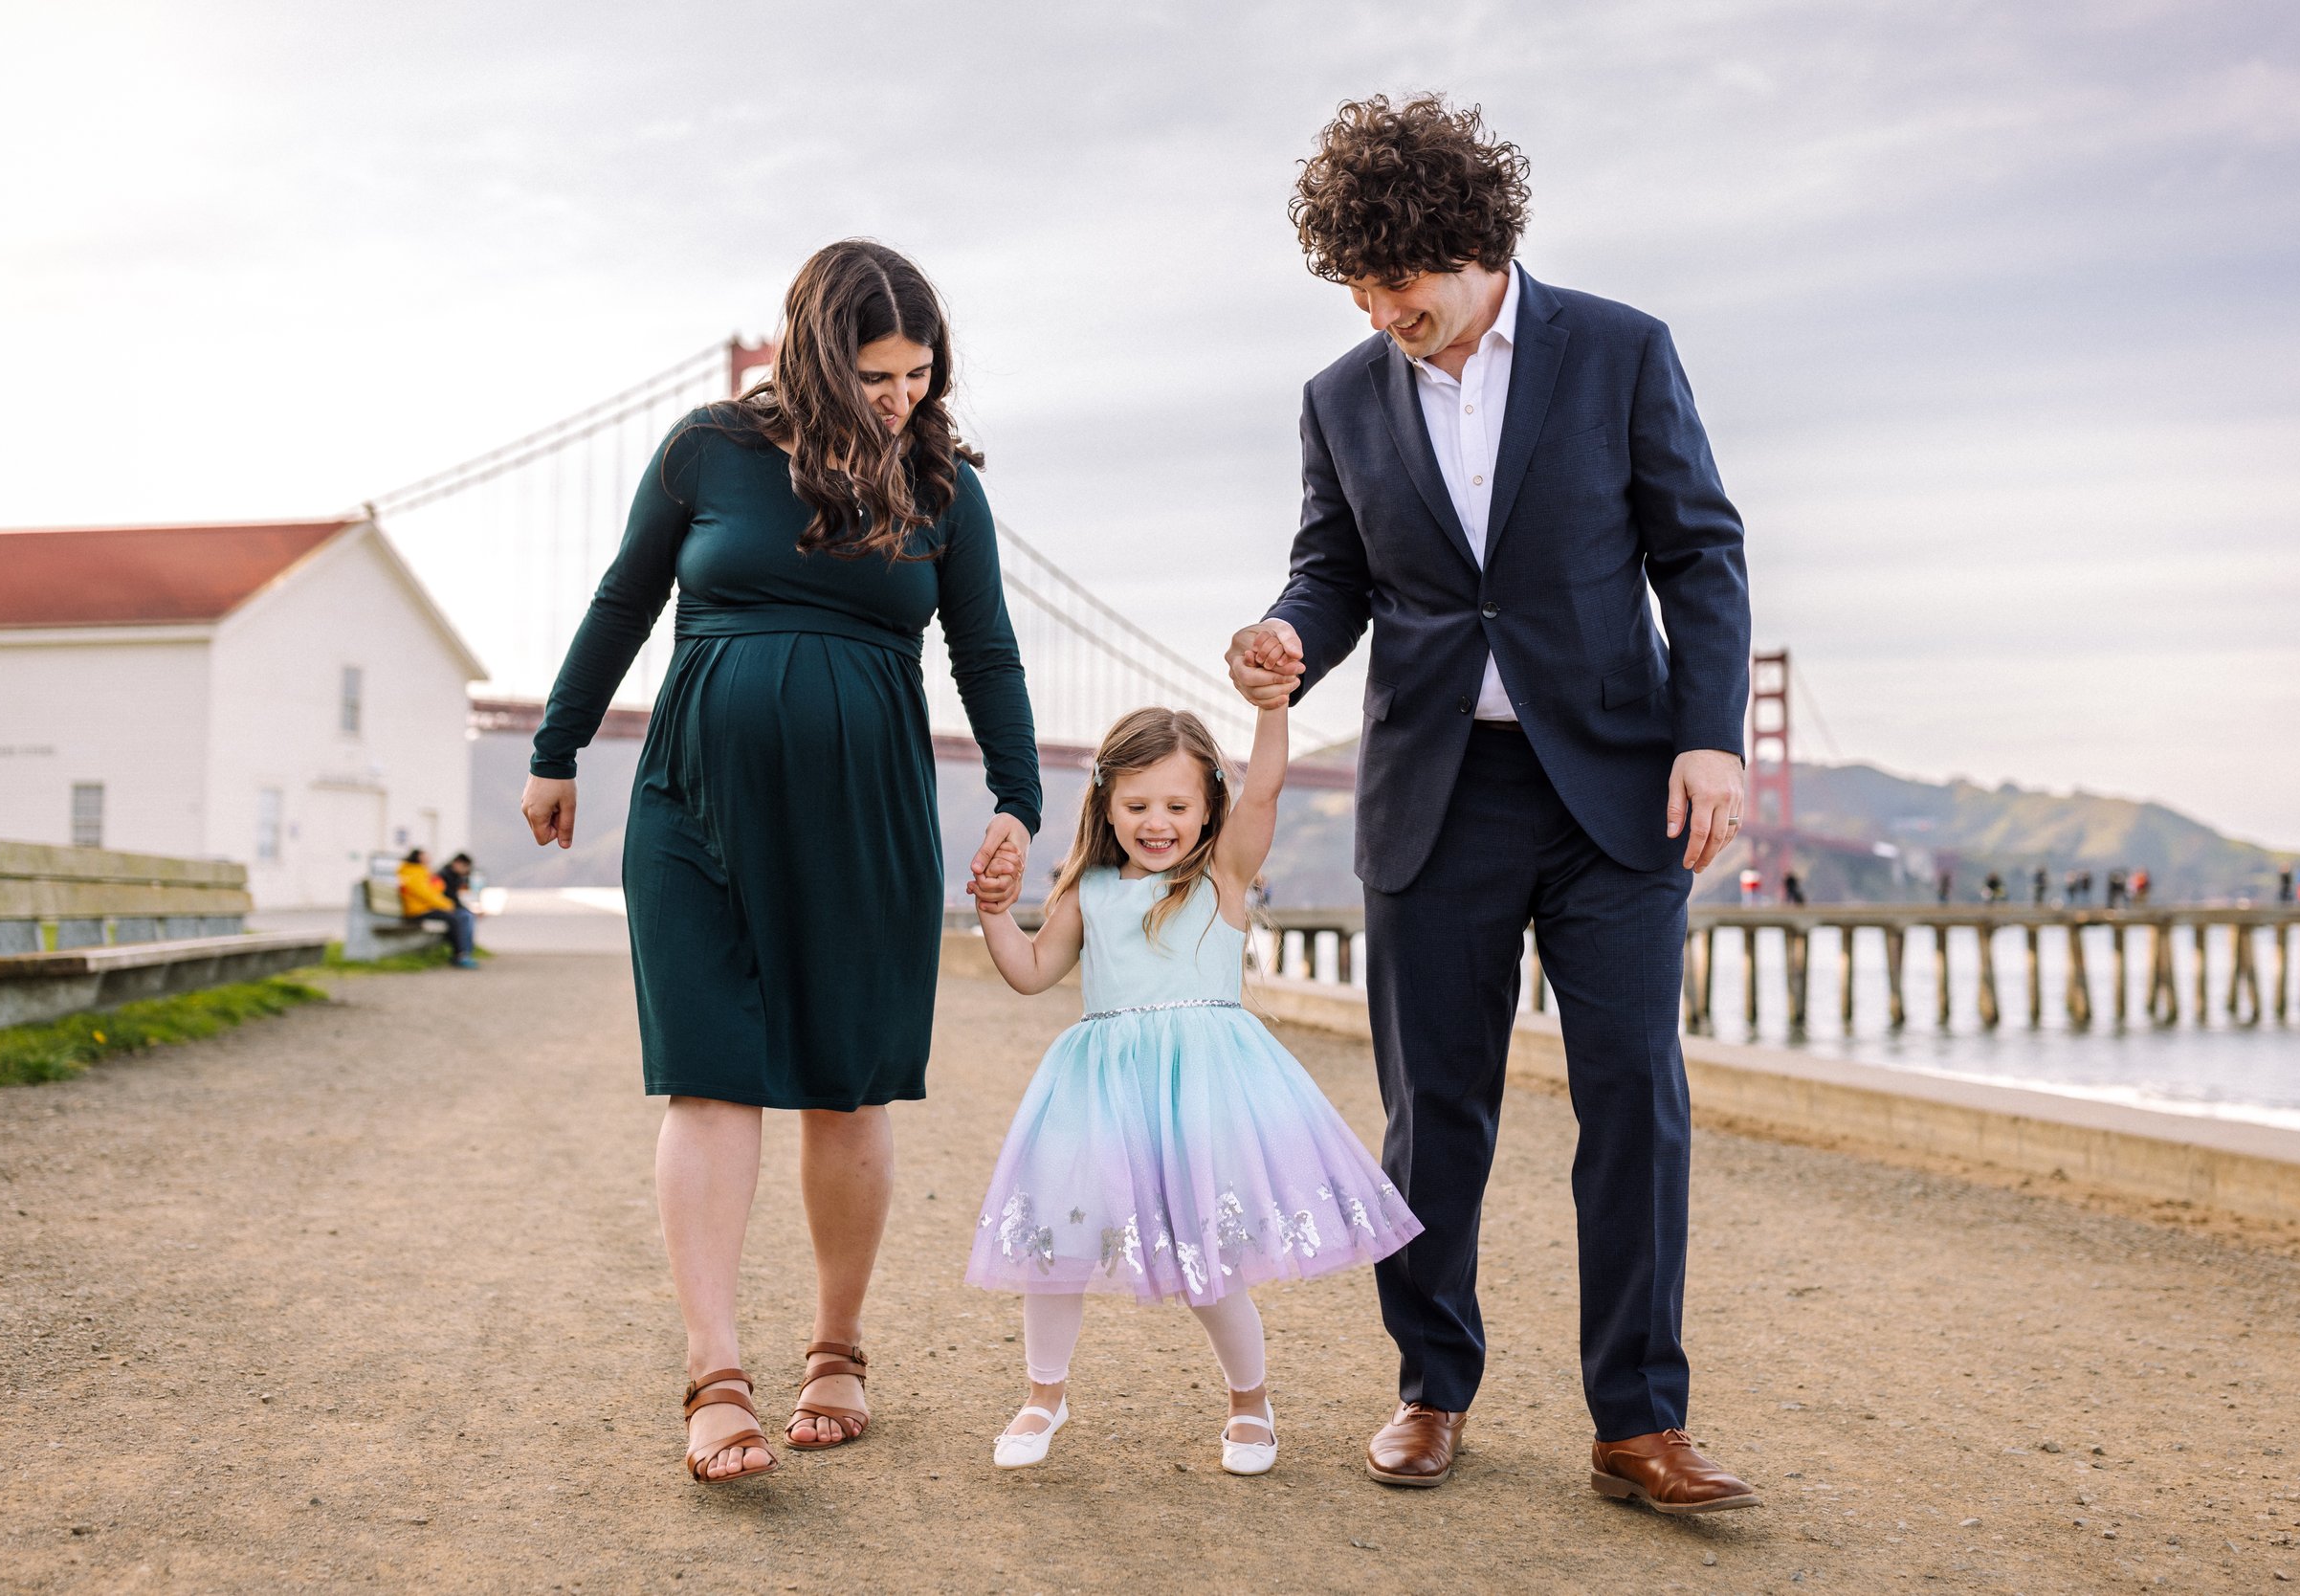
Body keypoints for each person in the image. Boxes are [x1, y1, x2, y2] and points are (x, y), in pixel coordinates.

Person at [1227, 96, 1758, 1510]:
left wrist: (1710, 738)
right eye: (1359, 283)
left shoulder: (1622, 350)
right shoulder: (1339, 396)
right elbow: (1331, 572)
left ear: (1477, 246)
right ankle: (1431, 1386)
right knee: (1433, 1114)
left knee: (1634, 1101)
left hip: (1618, 793)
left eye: (1404, 280)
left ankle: (1639, 1422)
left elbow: (1699, 553)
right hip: (1434, 793)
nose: (1383, 307)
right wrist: (1288, 632)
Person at [520, 241, 1038, 1485]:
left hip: (867, 819)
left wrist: (1018, 799)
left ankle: (837, 1350)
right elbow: (622, 600)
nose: (902, 392)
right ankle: (716, 1373)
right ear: (815, 357)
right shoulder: (709, 451)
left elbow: (990, 653)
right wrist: (557, 744)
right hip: (694, 803)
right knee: (708, 1080)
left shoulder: (945, 488)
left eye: (920, 371)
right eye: (876, 371)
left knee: (847, 1091)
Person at [964, 705, 1420, 1475]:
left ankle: (1251, 1403)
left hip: (1202, 1095)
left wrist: (1272, 709)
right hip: (1101, 1094)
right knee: (1057, 1251)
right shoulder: (1090, 891)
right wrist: (996, 916)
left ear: (1210, 803)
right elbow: (1033, 972)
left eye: (1177, 806)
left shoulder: (1222, 874)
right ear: (1106, 805)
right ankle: (1045, 1394)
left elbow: (1268, 790)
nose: (1157, 823)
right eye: (1137, 805)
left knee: (1210, 1260)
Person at [394, 848, 472, 967]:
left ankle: (462, 953)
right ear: (419, 857)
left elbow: (435, 890)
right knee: (454, 919)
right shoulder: (413, 872)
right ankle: (460, 955)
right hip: (418, 910)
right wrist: (446, 905)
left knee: (458, 917)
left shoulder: (422, 871)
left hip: (426, 907)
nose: (429, 858)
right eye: (426, 856)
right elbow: (425, 894)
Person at [434, 852, 479, 968]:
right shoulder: (443, 875)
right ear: (457, 863)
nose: (466, 871)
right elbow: (447, 897)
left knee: (468, 916)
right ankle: (462, 954)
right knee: (465, 917)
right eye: (465, 867)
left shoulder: (456, 876)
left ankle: (465, 953)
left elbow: (455, 899)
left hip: (448, 907)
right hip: (440, 908)